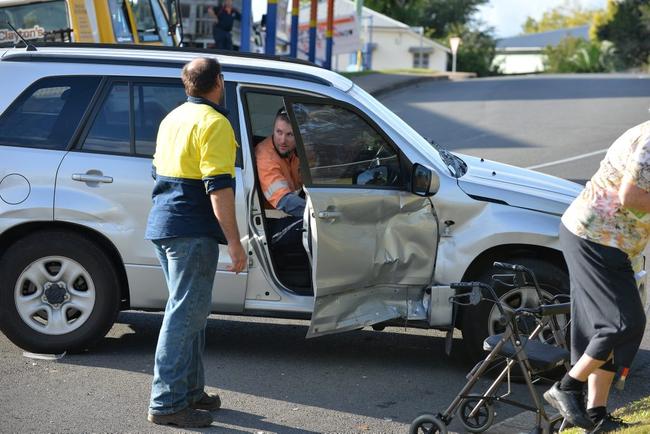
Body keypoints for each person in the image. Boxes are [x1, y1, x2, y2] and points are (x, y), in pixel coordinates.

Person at [145, 57, 247, 428]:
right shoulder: (215, 123)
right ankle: (167, 402)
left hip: (164, 224)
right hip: (191, 231)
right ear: (218, 81)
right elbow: (218, 187)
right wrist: (234, 243)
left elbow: (157, 171)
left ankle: (190, 391)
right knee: (184, 316)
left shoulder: (172, 118)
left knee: (191, 314)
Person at [543, 121, 649, 433]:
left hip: (609, 239)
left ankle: (596, 413)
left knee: (604, 326)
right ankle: (566, 386)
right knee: (622, 323)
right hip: (595, 236)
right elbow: (631, 197)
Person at [255, 108, 306, 250]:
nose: (282, 140)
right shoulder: (266, 156)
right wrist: (316, 213)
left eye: (289, 134)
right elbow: (283, 200)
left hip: (287, 216)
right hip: (268, 224)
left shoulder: (296, 151)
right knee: (312, 226)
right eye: (279, 132)